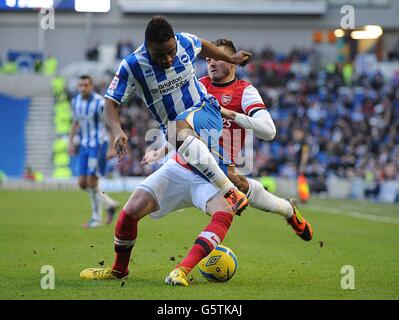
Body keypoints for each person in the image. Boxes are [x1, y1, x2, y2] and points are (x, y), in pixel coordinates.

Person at [80, 16, 252, 286]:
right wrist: (117, 132)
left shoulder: (183, 41)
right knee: (130, 211)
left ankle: (184, 267)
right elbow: (110, 103)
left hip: (205, 116)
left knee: (176, 133)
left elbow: (203, 46)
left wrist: (230, 59)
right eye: (162, 55)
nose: (169, 59)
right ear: (147, 47)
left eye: (172, 52)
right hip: (183, 157)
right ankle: (118, 270)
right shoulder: (132, 66)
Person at [142, 39, 313, 241]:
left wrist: (230, 114)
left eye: (218, 59)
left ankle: (288, 211)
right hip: (194, 158)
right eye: (208, 59)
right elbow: (180, 127)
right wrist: (159, 151)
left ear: (231, 62)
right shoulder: (198, 86)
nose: (211, 63)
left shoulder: (244, 91)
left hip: (224, 165)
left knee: (240, 184)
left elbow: (269, 132)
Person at [69, 75, 119, 228]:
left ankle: (96, 218)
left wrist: (111, 147)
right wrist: (71, 142)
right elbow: (75, 122)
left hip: (98, 146)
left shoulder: (99, 102)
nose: (83, 88)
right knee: (82, 183)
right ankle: (110, 204)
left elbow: (110, 124)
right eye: (81, 85)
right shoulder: (75, 102)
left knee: (92, 181)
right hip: (84, 145)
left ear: (91, 86)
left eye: (86, 85)